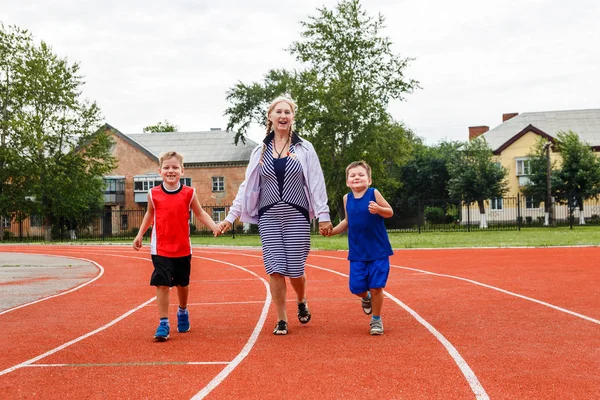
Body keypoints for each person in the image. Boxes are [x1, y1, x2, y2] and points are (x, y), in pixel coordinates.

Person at [217, 95, 332, 335]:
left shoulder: (304, 148)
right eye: (278, 112)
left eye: (287, 112)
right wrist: (230, 217)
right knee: (275, 268)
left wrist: (323, 215)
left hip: (296, 215)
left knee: (295, 269)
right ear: (270, 117)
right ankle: (282, 319)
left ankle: (301, 300)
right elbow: (246, 186)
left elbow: (317, 182)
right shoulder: (260, 151)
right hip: (268, 216)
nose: (283, 116)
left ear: (292, 117)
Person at [133, 151, 221, 341]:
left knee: (182, 284)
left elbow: (200, 214)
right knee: (162, 284)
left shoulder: (189, 193)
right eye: (166, 167)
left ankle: (182, 311)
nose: (170, 171)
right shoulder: (153, 193)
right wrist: (140, 234)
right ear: (160, 171)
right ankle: (163, 322)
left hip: (182, 248)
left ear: (182, 170)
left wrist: (214, 225)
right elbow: (149, 215)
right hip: (160, 248)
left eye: (174, 167)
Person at [329, 161, 393, 335]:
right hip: (357, 252)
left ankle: (376, 320)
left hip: (378, 250)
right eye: (352, 175)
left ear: (369, 180)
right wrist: (332, 232)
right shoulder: (346, 198)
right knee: (356, 288)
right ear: (347, 182)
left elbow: (390, 212)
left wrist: (379, 209)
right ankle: (366, 298)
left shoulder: (374, 193)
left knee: (376, 286)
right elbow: (348, 221)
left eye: (361, 175)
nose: (356, 177)